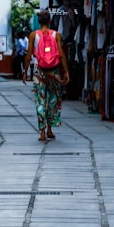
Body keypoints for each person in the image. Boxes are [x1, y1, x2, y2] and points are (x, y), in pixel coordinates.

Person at [23, 10, 68, 141]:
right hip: (54, 71)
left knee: (40, 100)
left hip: (39, 71)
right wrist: (66, 71)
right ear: (49, 21)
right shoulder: (56, 35)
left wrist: (25, 71)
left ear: (39, 21)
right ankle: (50, 129)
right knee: (53, 99)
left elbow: (28, 56)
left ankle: (42, 131)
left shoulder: (33, 35)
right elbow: (62, 55)